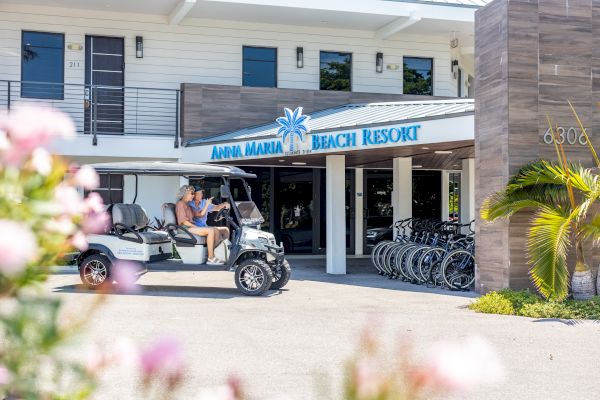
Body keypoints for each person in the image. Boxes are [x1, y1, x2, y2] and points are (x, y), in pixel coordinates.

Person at [174, 185, 220, 264]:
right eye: (191, 193)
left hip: (190, 227)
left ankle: (213, 253)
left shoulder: (188, 206)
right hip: (185, 229)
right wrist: (197, 227)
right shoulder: (180, 204)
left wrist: (206, 204)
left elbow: (201, 214)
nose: (193, 195)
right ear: (185, 194)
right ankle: (211, 258)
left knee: (214, 230)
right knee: (210, 231)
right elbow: (184, 222)